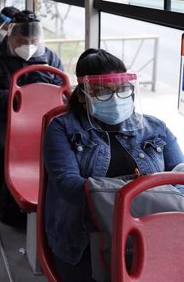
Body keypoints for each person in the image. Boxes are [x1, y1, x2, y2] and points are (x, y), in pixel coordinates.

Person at [43, 48, 184, 281]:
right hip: (85, 234)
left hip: (153, 231)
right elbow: (70, 187)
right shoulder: (62, 129)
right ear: (82, 95)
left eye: (122, 90)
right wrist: (146, 191)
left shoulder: (155, 128)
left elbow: (179, 178)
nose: (115, 99)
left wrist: (118, 193)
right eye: (102, 93)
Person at [0, 11, 63, 225]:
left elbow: (61, 93)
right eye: (22, 40)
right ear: (11, 36)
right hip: (4, 117)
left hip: (41, 120)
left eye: (33, 41)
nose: (28, 45)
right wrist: (24, 99)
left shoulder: (50, 59)